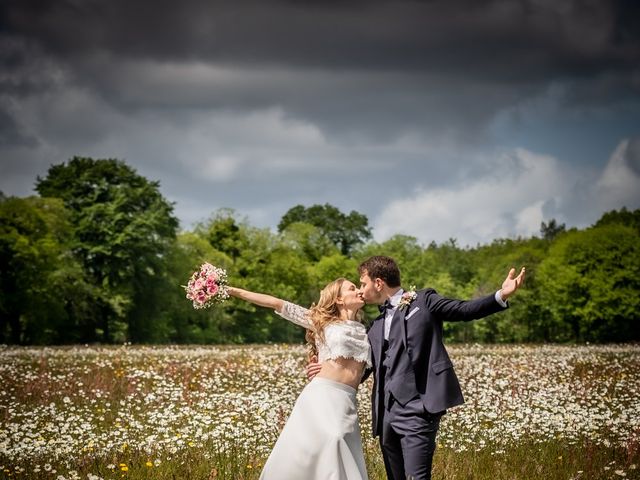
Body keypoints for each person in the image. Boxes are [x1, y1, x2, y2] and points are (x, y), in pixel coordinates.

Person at [308, 256, 525, 480]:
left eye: (363, 283)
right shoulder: (375, 326)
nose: (361, 290)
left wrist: (501, 295)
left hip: (419, 409)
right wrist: (325, 372)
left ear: (378, 283)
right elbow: (361, 369)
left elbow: (464, 310)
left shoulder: (425, 301)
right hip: (386, 415)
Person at [227, 278, 371, 480]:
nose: (358, 291)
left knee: (338, 450)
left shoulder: (367, 330)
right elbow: (276, 303)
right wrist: (232, 290)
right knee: (332, 440)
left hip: (347, 400)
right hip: (322, 395)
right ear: (338, 298)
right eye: (352, 288)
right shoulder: (322, 322)